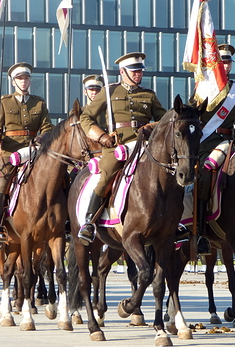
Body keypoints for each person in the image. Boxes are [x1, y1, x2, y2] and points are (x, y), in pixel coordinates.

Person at [78, 52, 166, 246]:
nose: (138, 74)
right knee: (107, 174)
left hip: (144, 146)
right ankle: (89, 222)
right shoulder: (109, 92)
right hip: (117, 145)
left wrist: (149, 128)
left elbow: (164, 120)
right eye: (134, 71)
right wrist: (101, 136)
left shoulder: (149, 94)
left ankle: (174, 223)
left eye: (140, 71)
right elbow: (86, 118)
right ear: (122, 72)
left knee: (166, 174)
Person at [193, 44, 235, 255]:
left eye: (228, 62)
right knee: (205, 175)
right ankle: (199, 230)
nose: (225, 66)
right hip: (206, 144)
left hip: (229, 143)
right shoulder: (202, 88)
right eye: (221, 62)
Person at [0, 62, 53, 242]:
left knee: (59, 177)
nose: (23, 82)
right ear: (13, 82)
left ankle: (62, 220)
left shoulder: (39, 103)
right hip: (10, 151)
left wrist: (41, 139)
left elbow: (47, 127)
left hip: (34, 150)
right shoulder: (4, 102)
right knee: (4, 181)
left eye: (26, 78)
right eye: (19, 78)